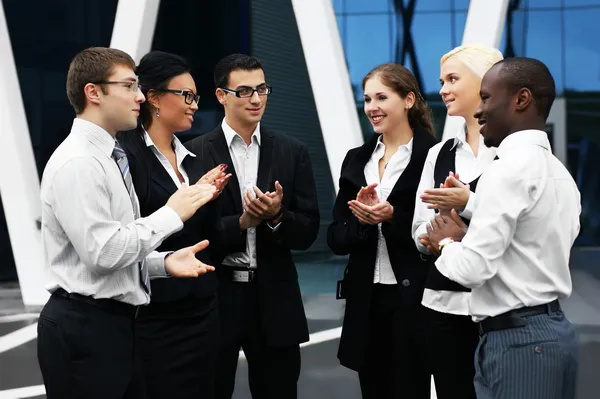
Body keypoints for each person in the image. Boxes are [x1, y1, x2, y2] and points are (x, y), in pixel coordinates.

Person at [37, 47, 217, 399]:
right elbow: (103, 253)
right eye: (129, 86)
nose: (139, 96)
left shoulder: (106, 157)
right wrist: (171, 214)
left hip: (113, 326)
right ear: (94, 92)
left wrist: (163, 263)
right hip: (87, 328)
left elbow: (108, 249)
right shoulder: (79, 163)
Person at [427, 57, 580, 399]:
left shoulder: (505, 170)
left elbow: (472, 270)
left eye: (486, 98)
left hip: (518, 343)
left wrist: (447, 243)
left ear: (521, 100)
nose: (479, 111)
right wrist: (469, 210)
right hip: (551, 336)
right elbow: (528, 242)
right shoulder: (561, 175)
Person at [185, 54, 320, 399]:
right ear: (220, 95)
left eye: (261, 89)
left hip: (275, 296)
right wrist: (242, 223)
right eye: (244, 91)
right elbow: (188, 235)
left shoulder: (293, 151)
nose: (256, 99)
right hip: (216, 296)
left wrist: (277, 216)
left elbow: (308, 230)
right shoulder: (192, 154)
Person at [117, 51, 232, 399]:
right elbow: (126, 238)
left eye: (196, 97)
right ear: (152, 97)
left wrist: (209, 200)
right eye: (186, 95)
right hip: (154, 318)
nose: (194, 105)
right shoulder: (126, 157)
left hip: (203, 311)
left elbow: (210, 239)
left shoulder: (194, 159)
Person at [327, 63, 438, 399]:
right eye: (366, 99)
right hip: (365, 298)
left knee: (411, 389)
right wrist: (360, 221)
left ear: (408, 100)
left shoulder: (433, 155)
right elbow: (335, 237)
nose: (371, 107)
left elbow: (439, 230)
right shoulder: (356, 159)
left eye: (381, 97)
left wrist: (392, 216)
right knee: (372, 391)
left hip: (414, 299)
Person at [410, 44, 503, 399]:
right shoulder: (439, 152)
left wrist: (467, 206)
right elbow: (419, 227)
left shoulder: (513, 151)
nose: (443, 89)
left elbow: (525, 222)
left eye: (452, 79)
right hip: (444, 302)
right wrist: (430, 237)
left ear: (484, 82)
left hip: (500, 303)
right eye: (442, 81)